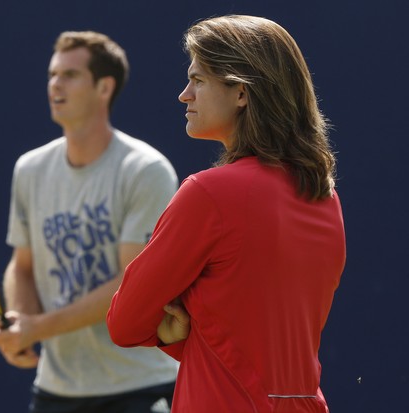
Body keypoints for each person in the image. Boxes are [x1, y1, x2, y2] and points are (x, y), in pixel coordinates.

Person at [107, 15, 346, 413]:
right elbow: (259, 344)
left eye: (198, 80)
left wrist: (176, 334)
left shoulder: (207, 194)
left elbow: (125, 322)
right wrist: (191, 335)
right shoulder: (325, 197)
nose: (185, 95)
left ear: (241, 93)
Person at [0, 30, 179, 413]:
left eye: (70, 75)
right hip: (57, 391)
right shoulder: (29, 170)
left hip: (138, 385)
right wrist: (21, 325)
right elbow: (23, 267)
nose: (55, 83)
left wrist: (38, 327)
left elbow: (132, 283)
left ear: (104, 88)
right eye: (52, 74)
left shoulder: (146, 170)